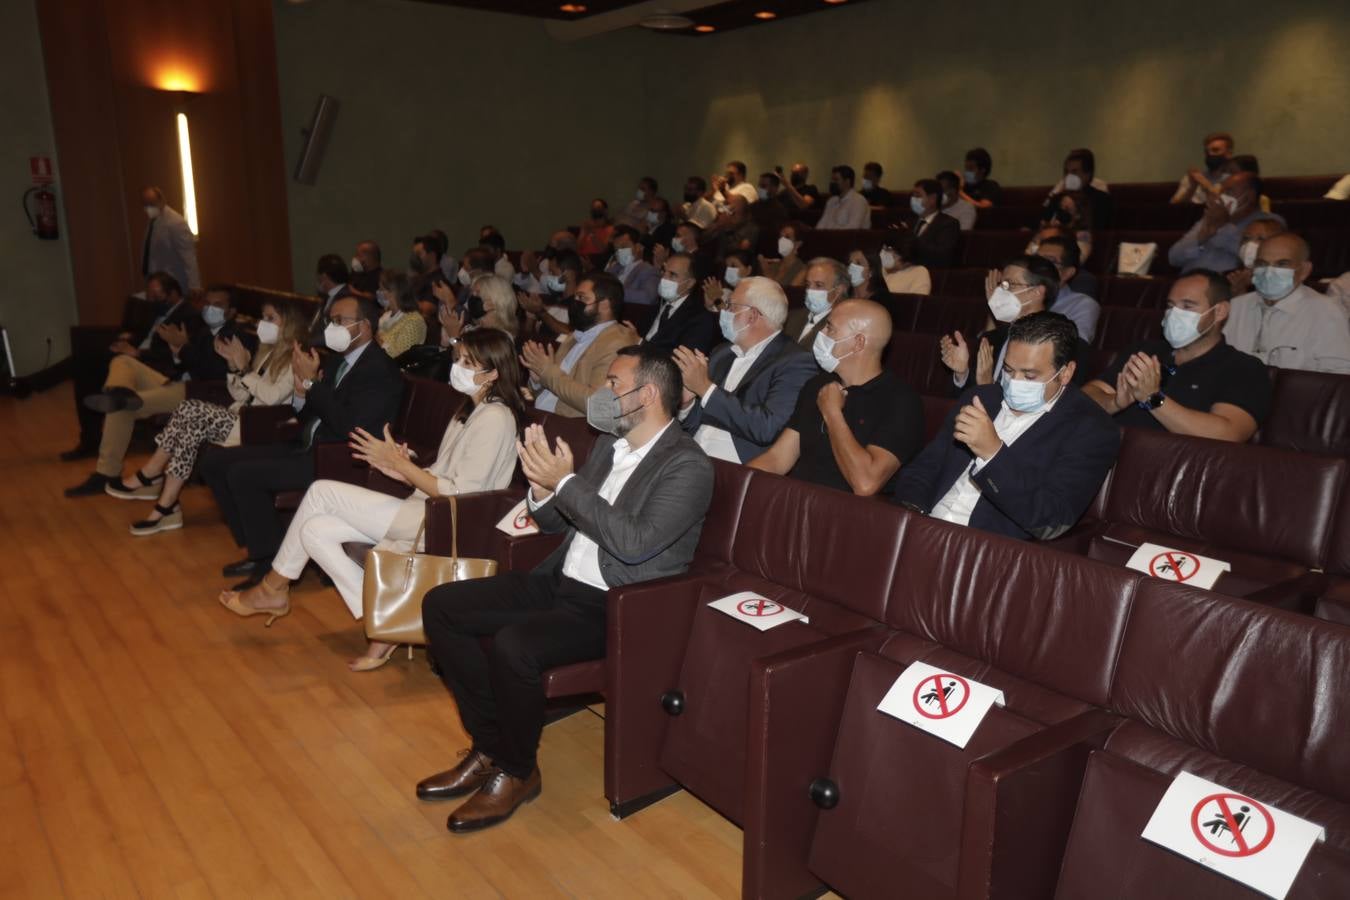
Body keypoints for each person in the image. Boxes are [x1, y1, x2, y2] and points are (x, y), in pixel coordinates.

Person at [416, 344, 713, 833]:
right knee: (442, 606)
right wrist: (542, 488)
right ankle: (494, 748)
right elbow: (557, 520)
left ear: (649, 393)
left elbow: (633, 545)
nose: (602, 394)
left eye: (613, 384)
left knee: (516, 647)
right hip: (558, 581)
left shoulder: (688, 465)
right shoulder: (608, 446)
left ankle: (515, 770)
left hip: (614, 605)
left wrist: (568, 482)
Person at [220, 330, 525, 669]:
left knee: (322, 491)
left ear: (494, 371)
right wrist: (402, 466)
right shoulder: (468, 410)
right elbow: (440, 473)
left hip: (447, 522)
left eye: (469, 363)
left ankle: (274, 587)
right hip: (424, 510)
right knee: (315, 531)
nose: (458, 367)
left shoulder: (496, 417)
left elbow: (461, 494)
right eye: (458, 360)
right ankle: (384, 622)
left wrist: (401, 467)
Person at [200, 295, 404, 588]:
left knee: (243, 475)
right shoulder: (339, 363)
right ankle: (261, 548)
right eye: (330, 320)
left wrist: (312, 384)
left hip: (336, 458)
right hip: (307, 445)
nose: (332, 327)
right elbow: (314, 413)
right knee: (216, 461)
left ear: (366, 327)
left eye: (340, 321)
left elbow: (351, 427)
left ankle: (270, 563)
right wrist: (300, 392)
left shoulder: (379, 370)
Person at [895, 312, 1120, 541]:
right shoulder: (980, 398)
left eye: (1030, 376)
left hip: (988, 551)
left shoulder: (1093, 430)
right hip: (924, 527)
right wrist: (912, 517)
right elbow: (924, 468)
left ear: (1066, 373)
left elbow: (1051, 519)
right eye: (1009, 370)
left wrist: (993, 454)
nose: (1014, 382)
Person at [116, 300, 305, 533]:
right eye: (262, 318)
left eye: (270, 318)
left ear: (289, 324)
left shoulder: (296, 358)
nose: (262, 324)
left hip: (261, 426)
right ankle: (166, 504)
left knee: (191, 411)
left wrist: (244, 370)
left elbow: (272, 397)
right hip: (241, 417)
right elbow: (240, 393)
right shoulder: (268, 354)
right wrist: (234, 367)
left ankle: (155, 480)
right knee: (189, 419)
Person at [66, 285, 243, 498]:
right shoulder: (203, 329)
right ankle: (119, 392)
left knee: (122, 408)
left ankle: (106, 473)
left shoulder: (234, 336)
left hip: (199, 392)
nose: (210, 309)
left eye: (218, 305)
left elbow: (214, 373)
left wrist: (182, 348)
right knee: (123, 361)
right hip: (179, 382)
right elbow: (183, 364)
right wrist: (178, 351)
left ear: (232, 312)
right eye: (208, 303)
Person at [749, 300, 923, 496]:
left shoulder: (902, 402)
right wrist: (736, 481)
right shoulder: (817, 384)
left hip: (845, 516)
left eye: (830, 328)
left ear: (858, 343)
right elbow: (778, 458)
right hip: (796, 499)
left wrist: (832, 413)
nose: (820, 333)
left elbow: (865, 483)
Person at [1083, 270, 1271, 442]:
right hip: (1107, 454)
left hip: (1174, 469)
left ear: (1220, 311)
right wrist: (1113, 402)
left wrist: (1152, 398)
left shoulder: (1243, 368)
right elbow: (1086, 396)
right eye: (1171, 306)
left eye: (1187, 306)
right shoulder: (1145, 351)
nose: (1174, 315)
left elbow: (1228, 434)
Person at [674, 277, 817, 463]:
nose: (724, 311)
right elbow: (698, 420)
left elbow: (767, 428)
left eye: (730, 305)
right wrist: (686, 405)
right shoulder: (722, 352)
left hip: (735, 466)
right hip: (690, 453)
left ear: (752, 316)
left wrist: (706, 389)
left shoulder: (795, 361)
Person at [62, 270, 198, 461]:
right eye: (150, 297)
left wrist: (138, 353)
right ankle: (96, 430)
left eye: (157, 296)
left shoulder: (189, 316)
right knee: (84, 366)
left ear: (174, 293)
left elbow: (179, 352)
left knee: (86, 368)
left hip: (154, 366)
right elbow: (144, 334)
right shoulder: (156, 310)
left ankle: (94, 434)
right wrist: (128, 339)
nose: (152, 301)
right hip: (135, 354)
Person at [940, 256, 1092, 394]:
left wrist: (988, 388)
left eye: (1009, 285)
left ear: (1036, 292)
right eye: (1001, 285)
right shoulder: (991, 339)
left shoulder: (1068, 346)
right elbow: (964, 400)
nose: (999, 291)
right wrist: (962, 373)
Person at [1223, 233, 1350, 373]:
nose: (1268, 272)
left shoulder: (1326, 311)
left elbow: (1339, 376)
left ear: (1304, 270)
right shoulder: (1235, 307)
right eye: (1262, 264)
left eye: (1282, 264)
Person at [521, 273, 636, 417]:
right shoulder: (575, 335)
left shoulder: (617, 344)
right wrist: (538, 379)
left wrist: (548, 373)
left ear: (605, 305)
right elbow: (546, 386)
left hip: (566, 425)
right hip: (539, 413)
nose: (575, 303)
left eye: (582, 298)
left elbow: (599, 404)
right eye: (575, 297)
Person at [1167, 171, 1284, 274]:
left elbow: (1256, 257)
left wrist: (1223, 226)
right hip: (1188, 282)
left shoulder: (1271, 222)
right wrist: (1200, 239)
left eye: (1229, 191)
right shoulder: (1210, 218)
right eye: (1221, 191)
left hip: (1225, 289)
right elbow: (1173, 258)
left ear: (1250, 196)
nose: (1222, 196)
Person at [641, 254, 720, 354]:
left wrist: (640, 343)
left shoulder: (699, 317)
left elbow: (680, 360)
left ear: (689, 283)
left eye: (672, 275)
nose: (664, 278)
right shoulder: (655, 305)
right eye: (664, 271)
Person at [1035, 237, 1100, 343]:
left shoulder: (1083, 304)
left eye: (1050, 261)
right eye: (1036, 259)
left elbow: (1074, 347)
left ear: (1068, 272)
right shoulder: (1019, 293)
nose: (1038, 266)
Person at [138, 186, 200, 295]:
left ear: (161, 201)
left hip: (173, 283)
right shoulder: (153, 221)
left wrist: (194, 286)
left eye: (152, 204)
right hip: (158, 282)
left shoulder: (175, 222)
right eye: (145, 205)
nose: (148, 208)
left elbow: (188, 256)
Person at [786, 257, 849, 347]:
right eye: (808, 284)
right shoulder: (792, 316)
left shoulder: (841, 326)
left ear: (839, 289)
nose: (810, 290)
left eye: (819, 285)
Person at [1047, 148, 1112, 228]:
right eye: (1066, 172)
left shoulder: (1103, 200)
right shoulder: (1056, 199)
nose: (1068, 176)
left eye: (1074, 172)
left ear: (1087, 175)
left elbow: (1108, 233)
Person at [374, 269, 428, 359]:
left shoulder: (414, 321)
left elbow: (400, 356)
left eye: (381, 289)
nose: (378, 292)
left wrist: (375, 338)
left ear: (393, 292)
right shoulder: (386, 317)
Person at [908, 178, 961, 268]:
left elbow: (942, 255)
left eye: (918, 195)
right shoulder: (909, 222)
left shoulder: (948, 224)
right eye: (913, 195)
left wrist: (910, 240)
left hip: (931, 272)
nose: (913, 199)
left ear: (933, 198)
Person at [1171, 132, 1235, 205]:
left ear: (1228, 154)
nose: (1210, 154)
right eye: (1207, 152)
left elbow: (1228, 208)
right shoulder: (1195, 177)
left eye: (1215, 150)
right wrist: (1192, 187)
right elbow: (1173, 206)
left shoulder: (1235, 180)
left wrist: (1205, 184)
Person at [604, 225, 660, 306]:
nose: (619, 252)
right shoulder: (613, 269)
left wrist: (614, 292)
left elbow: (647, 297)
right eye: (616, 249)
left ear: (638, 247)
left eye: (623, 247)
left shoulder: (648, 270)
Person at [1227, 218, 1286, 295]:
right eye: (1246, 238)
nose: (1250, 244)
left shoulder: (1284, 280)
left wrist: (1241, 290)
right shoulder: (1230, 277)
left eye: (1260, 239)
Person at [308, 254, 352, 342]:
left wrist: (306, 341)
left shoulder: (345, 300)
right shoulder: (327, 296)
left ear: (324, 277)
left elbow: (334, 336)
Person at [816, 165, 871, 230]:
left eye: (836, 180)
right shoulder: (832, 201)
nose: (832, 183)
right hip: (828, 238)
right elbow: (822, 224)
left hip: (847, 239)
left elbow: (852, 229)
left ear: (847, 182)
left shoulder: (859, 201)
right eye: (832, 180)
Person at [758, 223, 808, 288]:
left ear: (798, 244)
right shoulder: (774, 265)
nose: (781, 240)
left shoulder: (802, 270)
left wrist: (766, 271)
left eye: (787, 237)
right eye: (780, 236)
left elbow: (789, 294)